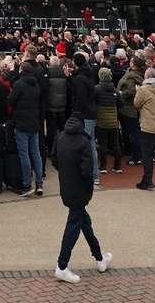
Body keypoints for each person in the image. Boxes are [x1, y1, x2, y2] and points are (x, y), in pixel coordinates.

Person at [53, 112, 113, 284]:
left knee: (84, 222)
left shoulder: (61, 137)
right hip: (80, 189)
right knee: (74, 225)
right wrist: (88, 190)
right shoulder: (84, 141)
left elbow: (54, 158)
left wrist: (64, 172)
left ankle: (100, 258)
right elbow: (87, 171)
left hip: (66, 187)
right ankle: (62, 265)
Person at [9, 62, 45, 197]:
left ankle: (26, 183)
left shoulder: (19, 84)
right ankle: (39, 183)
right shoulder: (36, 85)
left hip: (22, 122)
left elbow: (10, 100)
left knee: (24, 154)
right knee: (35, 153)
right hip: (34, 121)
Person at [134, 68, 155, 191]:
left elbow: (136, 104)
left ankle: (147, 181)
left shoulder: (143, 89)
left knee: (147, 155)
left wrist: (137, 91)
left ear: (147, 76)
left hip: (148, 126)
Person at [71, 53, 98, 185]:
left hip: (85, 113)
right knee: (91, 143)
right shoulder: (88, 75)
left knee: (87, 144)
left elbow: (80, 98)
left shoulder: (81, 78)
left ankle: (91, 175)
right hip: (91, 112)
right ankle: (94, 174)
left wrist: (76, 113)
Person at [117, 56, 145, 166]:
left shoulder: (133, 77)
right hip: (131, 108)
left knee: (134, 133)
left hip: (129, 108)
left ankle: (137, 156)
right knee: (132, 132)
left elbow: (132, 90)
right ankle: (134, 152)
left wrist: (121, 94)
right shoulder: (137, 74)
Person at [94, 68, 122, 175]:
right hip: (114, 122)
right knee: (116, 144)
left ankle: (103, 166)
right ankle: (117, 166)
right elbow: (121, 104)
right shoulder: (115, 90)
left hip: (101, 122)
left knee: (103, 145)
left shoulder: (96, 89)